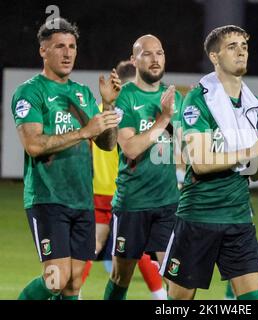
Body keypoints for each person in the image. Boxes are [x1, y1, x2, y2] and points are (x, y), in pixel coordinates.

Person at [160, 25, 258, 300]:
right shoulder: (198, 99)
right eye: (232, 46)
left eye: (244, 46)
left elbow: (257, 174)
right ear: (214, 56)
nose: (241, 51)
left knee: (252, 296)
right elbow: (199, 163)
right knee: (179, 301)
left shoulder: (254, 105)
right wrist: (253, 148)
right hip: (199, 217)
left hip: (238, 218)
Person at [12, 17, 121, 300]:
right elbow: (33, 145)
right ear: (43, 51)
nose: (68, 52)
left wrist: (108, 106)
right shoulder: (30, 92)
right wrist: (84, 131)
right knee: (54, 280)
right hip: (48, 198)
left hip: (81, 199)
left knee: (73, 284)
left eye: (72, 46)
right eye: (59, 46)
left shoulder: (82, 94)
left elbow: (108, 145)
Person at [103, 35, 183, 300]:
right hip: (132, 204)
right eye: (147, 53)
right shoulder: (124, 97)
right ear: (133, 59)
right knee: (120, 277)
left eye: (159, 52)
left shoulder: (173, 97)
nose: (155, 58)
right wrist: (164, 119)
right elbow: (131, 148)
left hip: (168, 204)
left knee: (177, 281)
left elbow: (183, 149)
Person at [81, 60, 167, 299]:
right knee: (137, 250)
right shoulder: (134, 111)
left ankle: (73, 293)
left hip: (101, 189)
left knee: (94, 246)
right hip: (127, 191)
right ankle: (160, 296)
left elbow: (88, 148)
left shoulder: (101, 110)